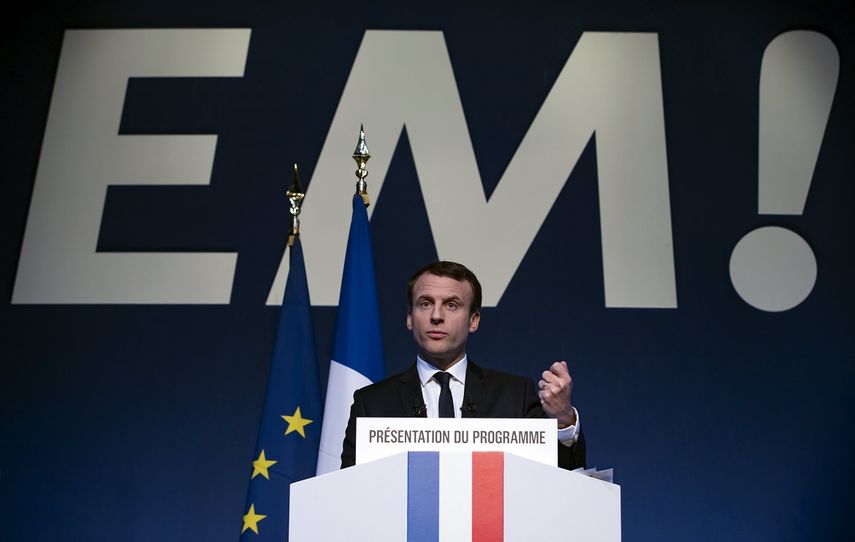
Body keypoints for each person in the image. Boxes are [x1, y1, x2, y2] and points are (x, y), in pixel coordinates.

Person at [340, 261, 586, 470]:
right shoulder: (371, 403)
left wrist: (563, 419)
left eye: (451, 305)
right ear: (409, 318)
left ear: (473, 320)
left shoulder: (515, 396)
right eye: (425, 303)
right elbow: (350, 493)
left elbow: (561, 480)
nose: (436, 316)